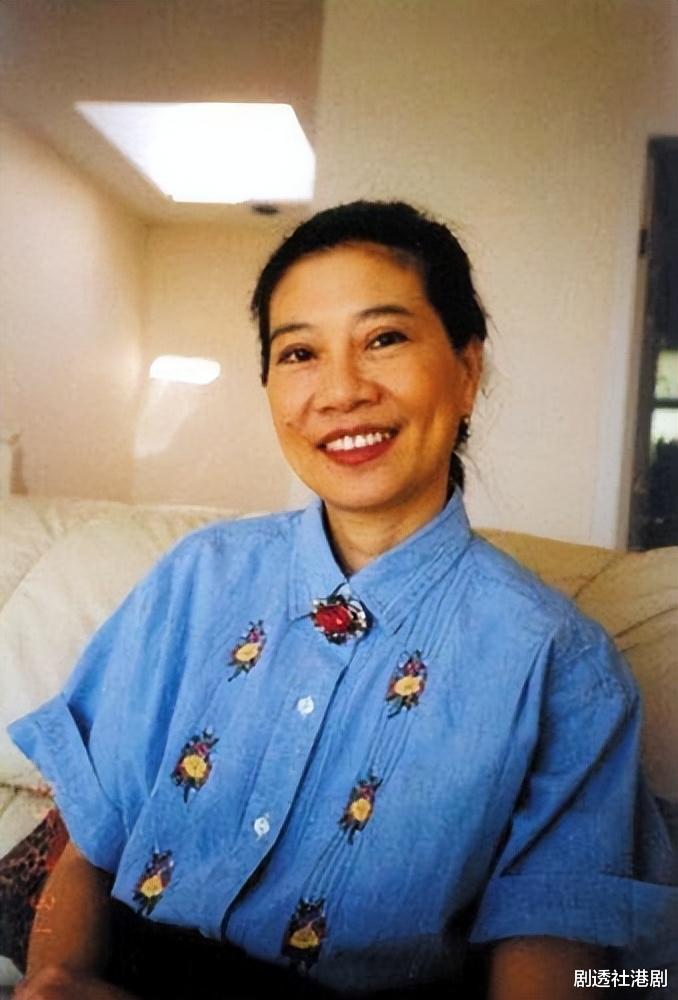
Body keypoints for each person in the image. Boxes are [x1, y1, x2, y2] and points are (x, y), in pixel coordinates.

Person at [8, 201, 677, 1000]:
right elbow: (92, 841)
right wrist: (58, 977)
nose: (340, 391)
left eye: (384, 339)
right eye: (299, 352)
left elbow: (560, 953)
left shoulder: (559, 660)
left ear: (467, 370)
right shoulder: (197, 578)